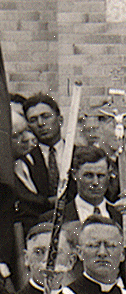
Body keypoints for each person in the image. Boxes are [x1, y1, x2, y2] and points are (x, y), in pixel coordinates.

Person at [14, 92, 73, 228]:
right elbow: (26, 202)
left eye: (45, 117)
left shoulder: (77, 154)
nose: (40, 124)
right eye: (33, 120)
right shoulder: (23, 160)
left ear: (60, 120)